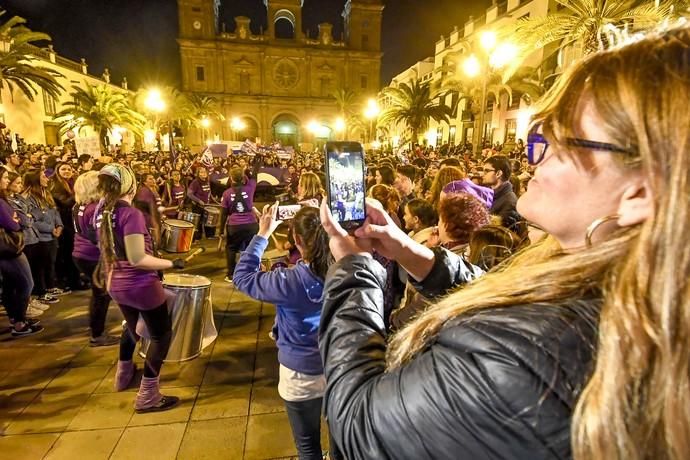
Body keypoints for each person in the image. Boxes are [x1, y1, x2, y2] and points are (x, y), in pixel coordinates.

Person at [317, 25, 681, 459]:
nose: (538, 154)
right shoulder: (623, 290)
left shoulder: (525, 357)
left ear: (640, 192)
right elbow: (505, 292)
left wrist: (353, 269)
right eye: (540, 132)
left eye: (563, 139)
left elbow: (358, 424)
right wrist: (410, 252)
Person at [234, 204, 333, 460]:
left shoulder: (287, 282)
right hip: (338, 368)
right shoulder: (346, 271)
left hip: (299, 376)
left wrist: (263, 234)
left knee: (308, 447)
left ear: (297, 240)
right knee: (340, 441)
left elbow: (243, 278)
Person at [97, 163, 183, 413]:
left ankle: (123, 376)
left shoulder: (102, 211)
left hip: (116, 281)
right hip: (139, 283)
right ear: (129, 184)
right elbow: (138, 258)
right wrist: (172, 262)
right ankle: (148, 395)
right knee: (161, 336)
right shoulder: (129, 213)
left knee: (132, 327)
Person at [73, 171, 119, 347]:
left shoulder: (79, 205)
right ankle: (97, 334)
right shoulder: (95, 209)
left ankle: (95, 327)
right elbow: (101, 238)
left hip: (81, 255)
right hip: (93, 256)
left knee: (98, 293)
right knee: (102, 295)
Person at [0, 168, 42, 336]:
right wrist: (15, 219)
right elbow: (14, 223)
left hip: (6, 248)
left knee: (10, 285)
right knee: (26, 283)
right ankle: (19, 322)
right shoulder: (1, 202)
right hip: (9, 248)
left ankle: (15, 318)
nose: (6, 180)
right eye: (3, 177)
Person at [6, 171, 49, 317]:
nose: (20, 186)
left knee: (34, 271)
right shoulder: (8, 201)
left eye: (20, 182)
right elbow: (24, 221)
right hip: (21, 241)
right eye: (16, 183)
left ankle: (29, 301)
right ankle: (22, 311)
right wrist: (29, 216)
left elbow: (37, 213)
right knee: (24, 280)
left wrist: (30, 215)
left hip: (32, 237)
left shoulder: (18, 198)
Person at [219, 155, 262, 283]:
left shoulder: (226, 193)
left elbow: (223, 214)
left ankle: (231, 275)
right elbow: (254, 175)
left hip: (234, 226)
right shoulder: (250, 188)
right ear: (243, 177)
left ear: (231, 178)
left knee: (231, 248)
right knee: (251, 248)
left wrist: (221, 231)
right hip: (251, 224)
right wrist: (257, 162)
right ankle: (252, 271)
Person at [23, 169, 62, 304]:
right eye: (42, 176)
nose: (46, 178)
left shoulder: (47, 194)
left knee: (50, 263)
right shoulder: (29, 198)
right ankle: (41, 291)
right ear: (35, 180)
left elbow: (54, 211)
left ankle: (50, 286)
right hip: (40, 237)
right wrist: (51, 229)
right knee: (39, 266)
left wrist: (59, 226)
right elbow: (32, 220)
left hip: (52, 236)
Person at [50, 161, 80, 291]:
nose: (67, 171)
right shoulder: (56, 186)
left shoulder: (72, 183)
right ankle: (70, 281)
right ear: (58, 171)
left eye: (69, 169)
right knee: (67, 252)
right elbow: (65, 203)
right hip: (64, 223)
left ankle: (75, 279)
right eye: (63, 169)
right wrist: (77, 194)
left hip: (72, 221)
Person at [482, 155, 520, 230]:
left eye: (486, 171)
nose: (483, 174)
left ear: (498, 173)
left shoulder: (509, 201)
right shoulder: (491, 194)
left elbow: (503, 235)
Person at [187, 166, 212, 240]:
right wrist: (199, 201)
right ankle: (197, 238)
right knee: (198, 222)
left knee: (207, 220)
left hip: (206, 205)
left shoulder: (207, 180)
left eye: (205, 172)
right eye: (201, 172)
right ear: (198, 174)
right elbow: (189, 194)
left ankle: (209, 236)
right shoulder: (195, 182)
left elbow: (209, 192)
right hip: (197, 206)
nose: (204, 173)